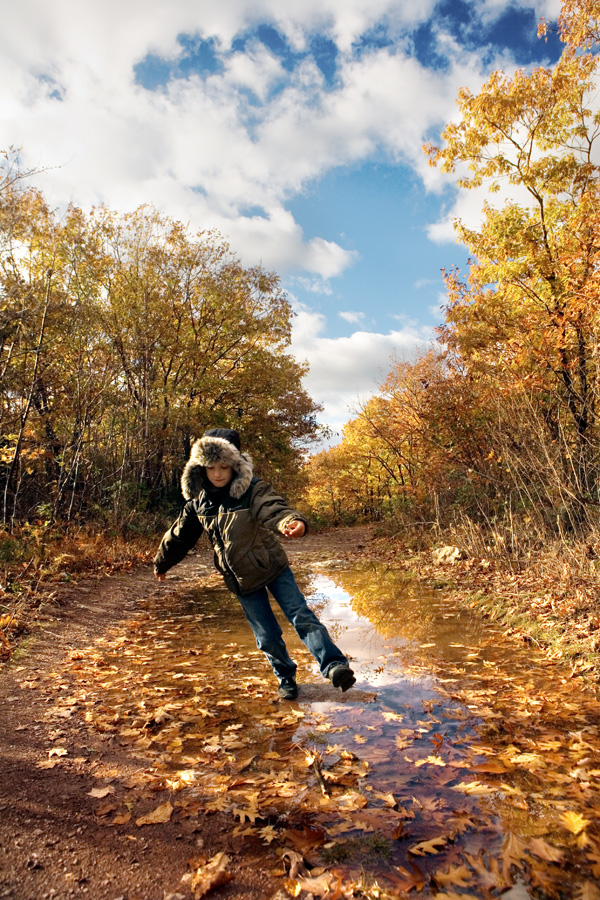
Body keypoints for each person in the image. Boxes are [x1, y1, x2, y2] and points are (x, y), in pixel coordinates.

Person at [153, 428, 355, 700]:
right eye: (211, 467)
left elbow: (273, 508)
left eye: (224, 466)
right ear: (201, 467)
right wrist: (162, 563)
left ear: (235, 465)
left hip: (272, 567)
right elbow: (179, 536)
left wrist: (289, 522)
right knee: (267, 636)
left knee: (301, 616)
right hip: (240, 579)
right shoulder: (198, 503)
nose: (218, 474)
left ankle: (333, 665)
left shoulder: (252, 490)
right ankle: (286, 678)